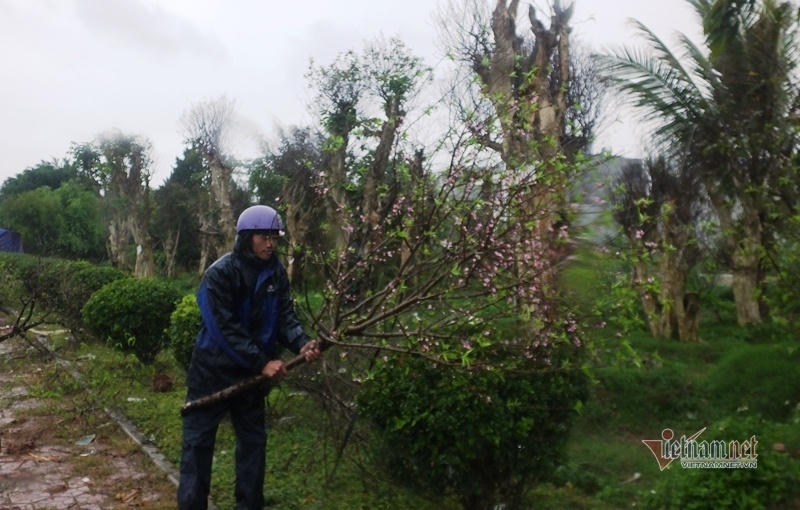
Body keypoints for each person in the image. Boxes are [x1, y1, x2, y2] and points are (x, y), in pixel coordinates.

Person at [178, 205, 321, 510]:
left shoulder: (276, 272)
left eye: (274, 237)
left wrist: (302, 344)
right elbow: (222, 328)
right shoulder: (220, 273)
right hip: (212, 373)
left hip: (253, 378)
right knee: (197, 447)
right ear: (246, 237)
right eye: (263, 236)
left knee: (253, 445)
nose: (270, 243)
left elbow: (285, 316)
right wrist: (261, 361)